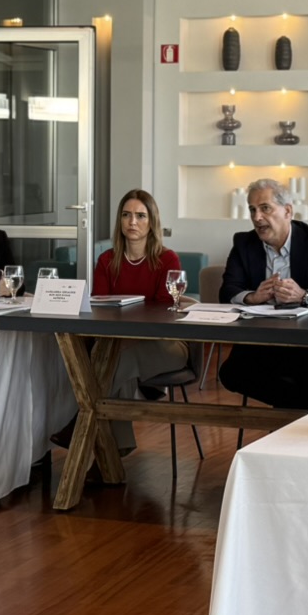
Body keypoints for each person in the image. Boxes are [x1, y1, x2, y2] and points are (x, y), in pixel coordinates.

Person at [216, 177, 308, 410]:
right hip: (263, 341)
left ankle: (300, 413)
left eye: (265, 208)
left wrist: (304, 296)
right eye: (252, 210)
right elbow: (227, 291)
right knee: (231, 373)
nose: (257, 217)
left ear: (288, 211)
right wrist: (252, 297)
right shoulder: (244, 243)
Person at [94, 189, 190, 448]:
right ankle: (115, 449)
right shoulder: (106, 260)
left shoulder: (167, 259)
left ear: (152, 221)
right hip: (118, 343)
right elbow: (99, 308)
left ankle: (81, 423)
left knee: (112, 362)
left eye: (140, 216)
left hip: (165, 345)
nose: (132, 222)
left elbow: (163, 312)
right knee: (110, 361)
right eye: (126, 215)